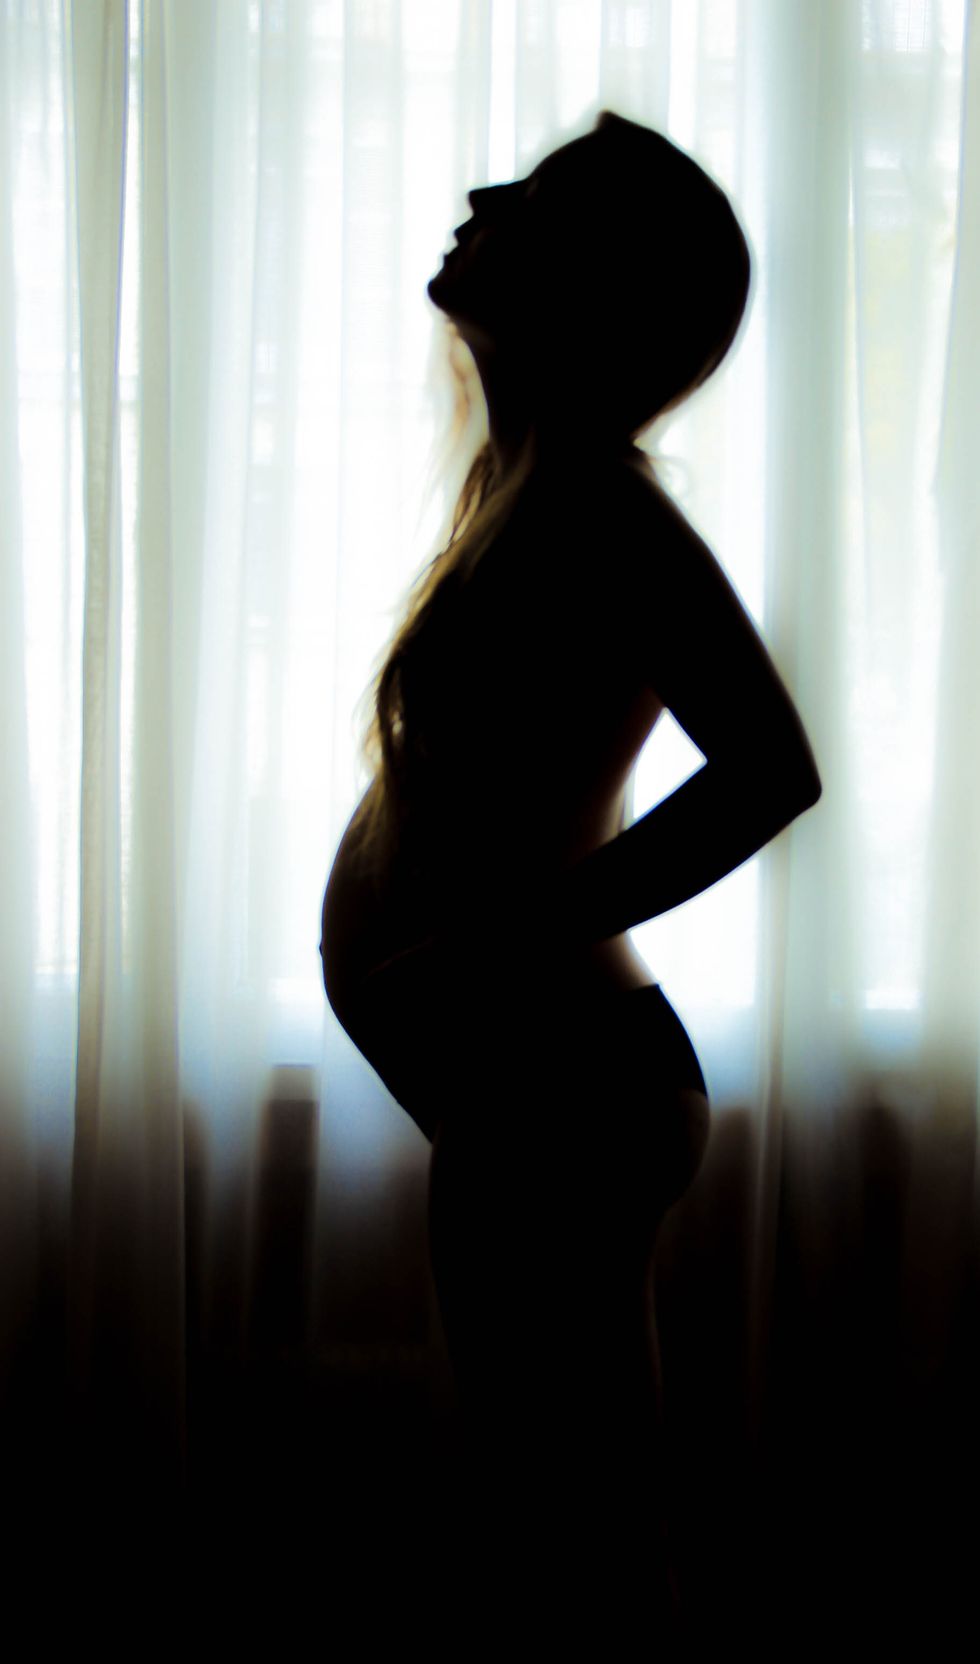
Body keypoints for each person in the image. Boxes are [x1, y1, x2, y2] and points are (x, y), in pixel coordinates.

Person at [319, 109, 821, 1627]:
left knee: (576, 1528)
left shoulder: (602, 502)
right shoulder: (527, 494)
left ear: (596, 280)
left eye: (531, 196)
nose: (477, 192)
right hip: (540, 1082)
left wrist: (505, 945)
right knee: (566, 1514)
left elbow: (770, 770)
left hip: (568, 1084)